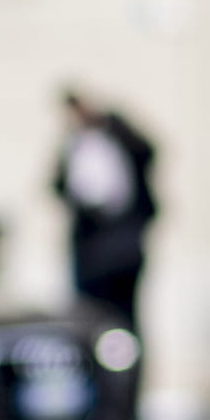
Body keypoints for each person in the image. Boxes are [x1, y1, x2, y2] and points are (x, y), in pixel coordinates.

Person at [53, 88, 157, 334]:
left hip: (123, 246)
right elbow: (59, 186)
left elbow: (147, 151)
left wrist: (109, 120)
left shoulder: (119, 136)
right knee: (90, 314)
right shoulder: (74, 145)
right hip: (90, 248)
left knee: (125, 313)